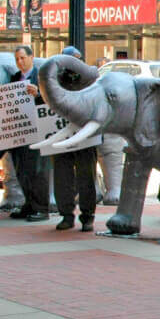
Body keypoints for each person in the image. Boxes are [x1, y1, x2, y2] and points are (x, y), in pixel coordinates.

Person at [52, 46, 98, 232]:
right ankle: (66, 214)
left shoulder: (91, 80)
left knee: (86, 176)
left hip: (85, 136)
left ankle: (87, 216)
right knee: (62, 176)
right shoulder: (54, 80)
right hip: (61, 134)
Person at [9, 45, 51, 222]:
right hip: (20, 131)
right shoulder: (14, 78)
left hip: (38, 130)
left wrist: (39, 94)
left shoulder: (41, 77)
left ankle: (41, 208)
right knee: (22, 170)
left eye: (23, 58)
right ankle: (29, 203)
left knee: (38, 171)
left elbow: (52, 100)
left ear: (31, 57)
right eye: (17, 59)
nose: (20, 61)